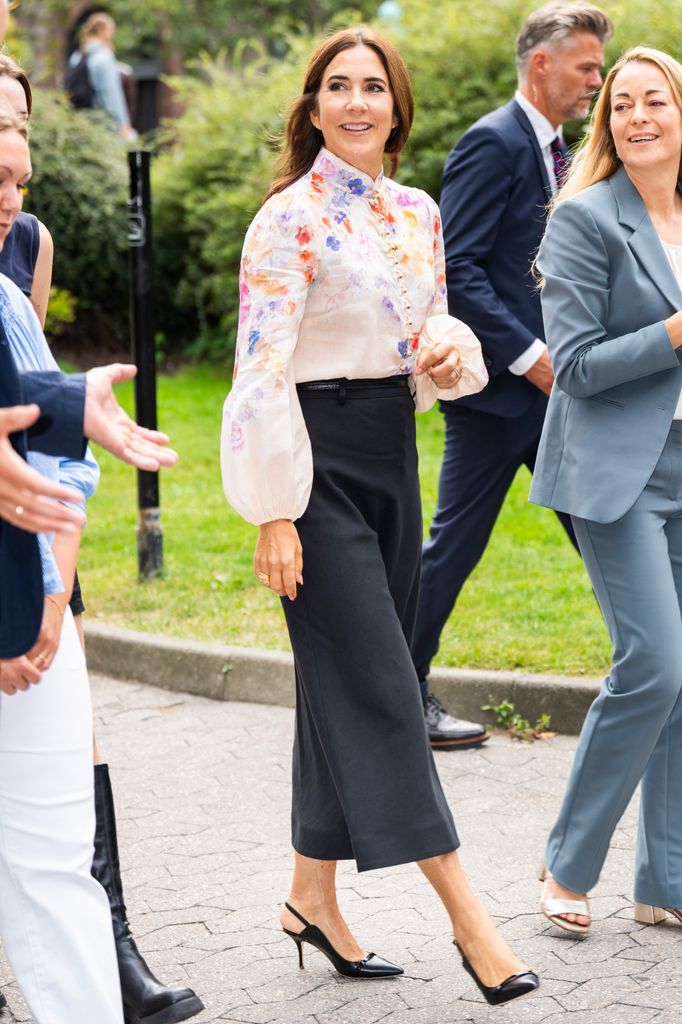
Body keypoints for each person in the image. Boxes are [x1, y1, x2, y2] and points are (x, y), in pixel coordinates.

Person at [221, 26, 539, 1006]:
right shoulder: (285, 219)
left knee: (350, 683)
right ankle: (470, 920)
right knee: (388, 693)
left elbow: (427, 327)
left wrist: (444, 355)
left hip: (391, 461)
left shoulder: (417, 212)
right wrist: (275, 511)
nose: (357, 102)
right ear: (312, 108)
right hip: (309, 467)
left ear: (396, 108)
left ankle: (310, 897)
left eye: (374, 87)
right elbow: (260, 371)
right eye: (337, 87)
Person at [0, 56, 204, 1024]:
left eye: (19, 154)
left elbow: (33, 418)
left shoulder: (15, 262)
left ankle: (107, 957)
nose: (10, 173)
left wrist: (52, 585)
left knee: (51, 840)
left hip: (31, 560)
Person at [409, 2, 613, 749]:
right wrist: (536, 362)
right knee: (454, 549)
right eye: (587, 67)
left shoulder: (559, 149)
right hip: (501, 400)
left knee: (606, 531)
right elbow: (458, 269)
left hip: (552, 394)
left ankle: (655, 675)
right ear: (543, 64)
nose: (596, 79)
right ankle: (401, 694)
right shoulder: (492, 144)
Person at [531, 46, 682, 933]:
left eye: (653, 100)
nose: (636, 117)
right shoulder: (583, 221)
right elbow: (576, 367)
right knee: (655, 662)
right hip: (616, 476)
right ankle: (566, 864)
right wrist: (672, 332)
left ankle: (666, 882)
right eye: (620, 104)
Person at [69, 11, 137, 142]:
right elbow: (111, 94)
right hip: (102, 123)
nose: (112, 35)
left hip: (80, 122)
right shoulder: (104, 58)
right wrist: (123, 124)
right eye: (111, 30)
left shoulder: (77, 56)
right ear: (102, 31)